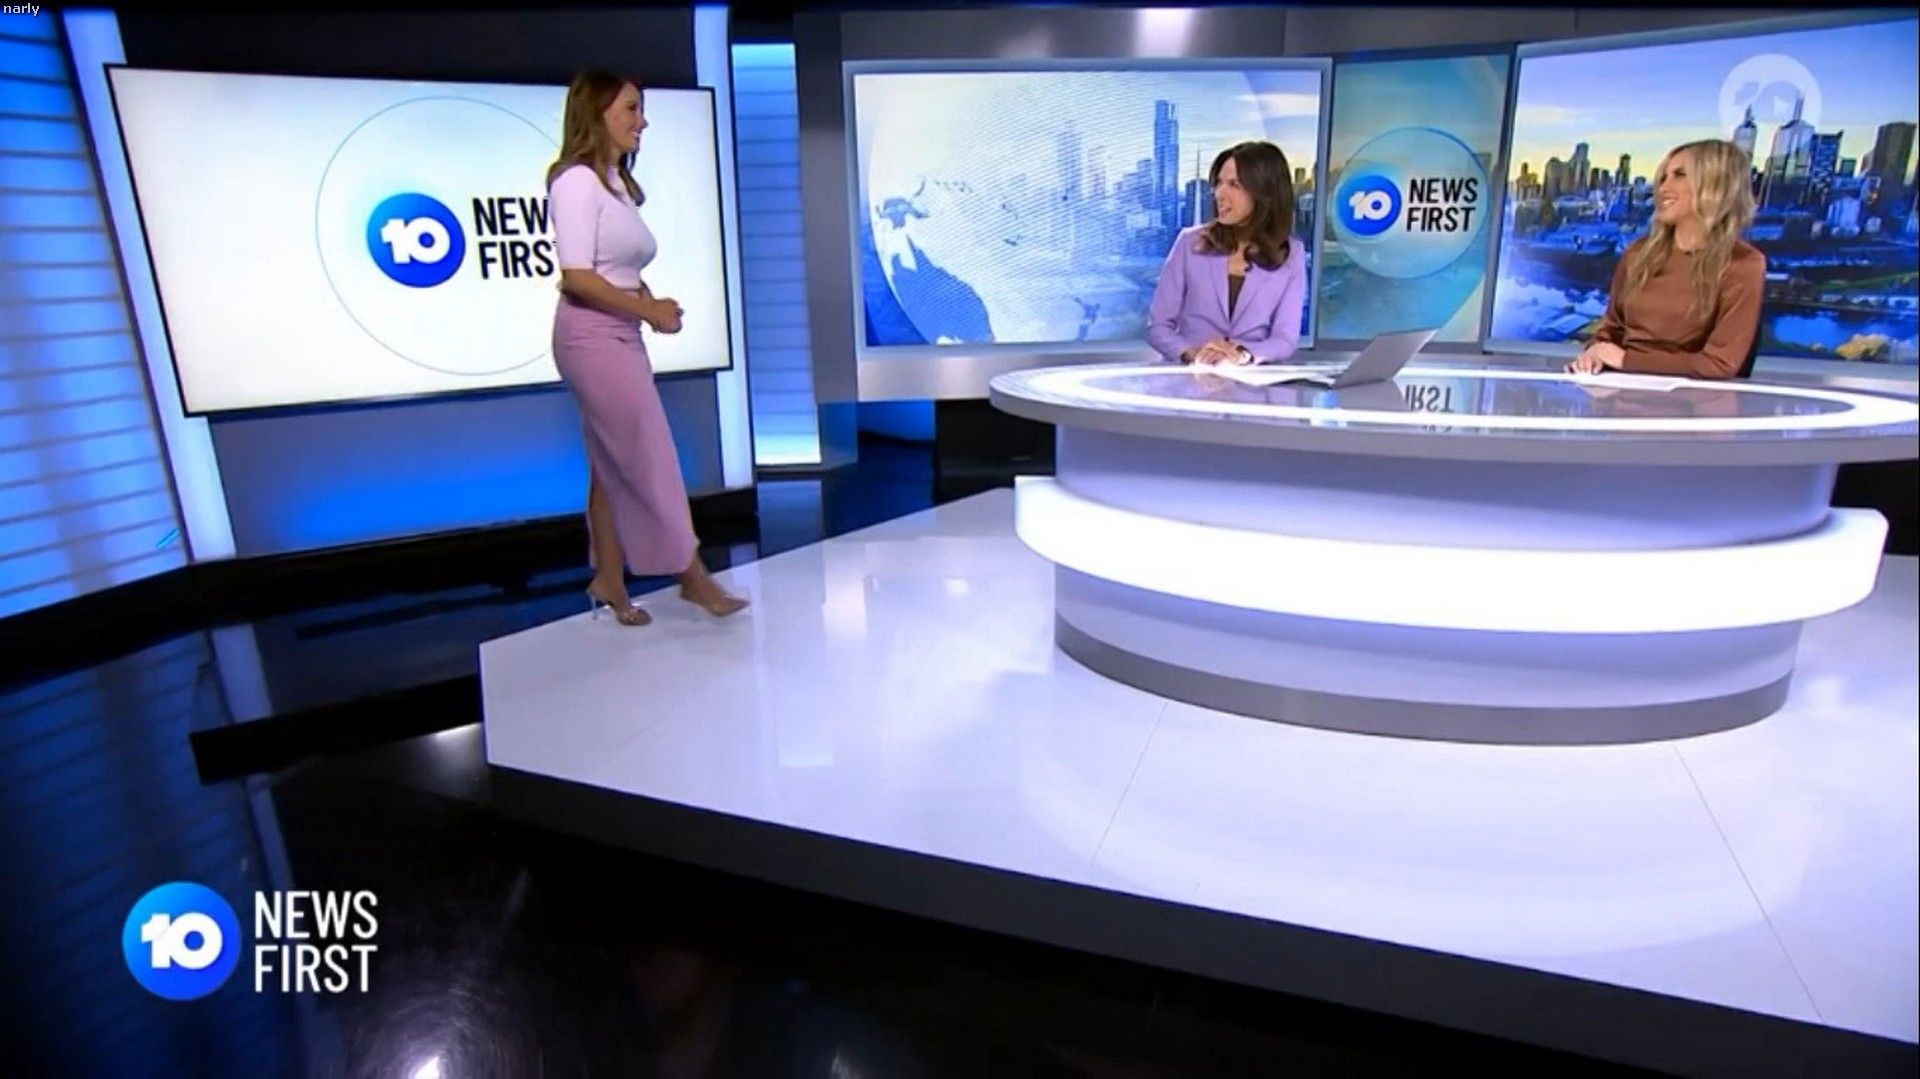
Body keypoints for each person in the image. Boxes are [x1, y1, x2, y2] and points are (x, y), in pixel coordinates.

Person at [547, 71, 747, 625]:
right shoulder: (575, 183)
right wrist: (646, 310)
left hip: (619, 334)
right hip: (591, 338)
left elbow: (618, 268)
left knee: (611, 461)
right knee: (648, 456)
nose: (643, 121)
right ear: (598, 113)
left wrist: (652, 304)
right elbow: (577, 277)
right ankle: (691, 576)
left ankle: (609, 576)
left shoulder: (613, 183)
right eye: (632, 109)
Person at [1569, 139, 1765, 379]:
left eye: (1680, 175)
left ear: (1717, 186)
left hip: (1691, 397)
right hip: (1618, 386)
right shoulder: (1638, 253)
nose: (1663, 187)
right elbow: (1610, 330)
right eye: (1663, 177)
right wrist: (1592, 355)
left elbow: (1719, 363)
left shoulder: (1743, 263)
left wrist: (1625, 360)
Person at [1146, 141, 1307, 366]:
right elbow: (1158, 326)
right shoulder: (1189, 243)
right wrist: (1191, 354)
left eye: (1234, 185)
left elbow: (1284, 339)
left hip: (1251, 380)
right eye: (1219, 183)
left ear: (1265, 193)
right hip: (1190, 375)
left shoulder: (1292, 253)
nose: (1220, 194)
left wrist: (1242, 354)